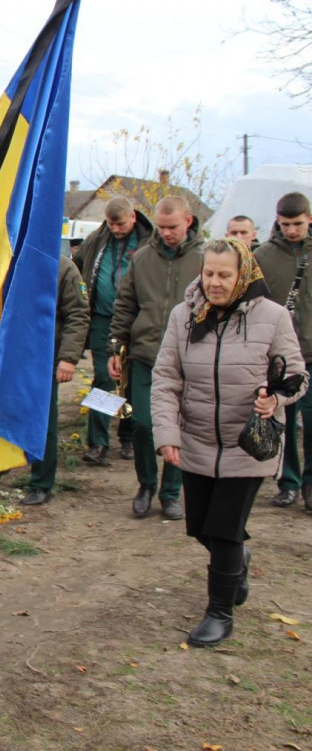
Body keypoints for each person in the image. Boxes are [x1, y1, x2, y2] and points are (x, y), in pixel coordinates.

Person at [153, 238, 307, 646]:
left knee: (223, 530)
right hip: (198, 438)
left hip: (248, 443)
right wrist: (167, 433)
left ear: (244, 275)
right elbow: (166, 380)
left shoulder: (272, 317)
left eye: (224, 274)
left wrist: (276, 396)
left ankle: (219, 613)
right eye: (208, 274)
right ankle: (237, 558)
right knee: (201, 527)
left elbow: (297, 375)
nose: (215, 283)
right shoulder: (183, 316)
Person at [108, 196, 203, 520]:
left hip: (190, 359)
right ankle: (146, 485)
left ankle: (171, 492)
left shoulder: (206, 259)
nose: (166, 233)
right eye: (161, 227)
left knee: (180, 427)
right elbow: (125, 305)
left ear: (188, 221)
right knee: (142, 424)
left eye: (172, 227)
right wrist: (116, 347)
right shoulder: (142, 258)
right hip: (146, 355)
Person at [72, 196, 150, 465]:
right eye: (111, 224)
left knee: (129, 380)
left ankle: (127, 437)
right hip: (102, 319)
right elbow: (77, 263)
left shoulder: (146, 242)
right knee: (104, 378)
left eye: (121, 224)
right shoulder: (97, 240)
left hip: (135, 321)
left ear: (133, 218)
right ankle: (98, 441)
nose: (116, 229)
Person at [253, 192, 312, 510]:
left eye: (298, 223)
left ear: (309, 219)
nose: (291, 230)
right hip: (281, 355)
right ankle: (287, 482)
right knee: (284, 420)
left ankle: (311, 486)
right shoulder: (264, 255)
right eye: (286, 224)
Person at [20, 255, 91, 505]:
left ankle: (41, 482)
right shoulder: (7, 257)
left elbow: (78, 314)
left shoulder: (63, 268)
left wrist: (68, 358)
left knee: (43, 421)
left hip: (44, 356)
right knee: (6, 413)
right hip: (12, 354)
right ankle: (1, 464)